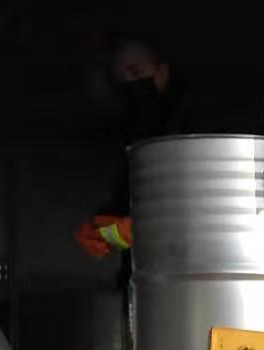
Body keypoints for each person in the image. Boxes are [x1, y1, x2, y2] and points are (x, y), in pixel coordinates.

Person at [74, 35, 185, 259]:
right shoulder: (129, 136)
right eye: (120, 81)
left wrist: (135, 228)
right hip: (146, 270)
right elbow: (125, 219)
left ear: (162, 73)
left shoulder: (189, 126)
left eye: (136, 72)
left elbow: (195, 216)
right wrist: (100, 229)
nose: (130, 85)